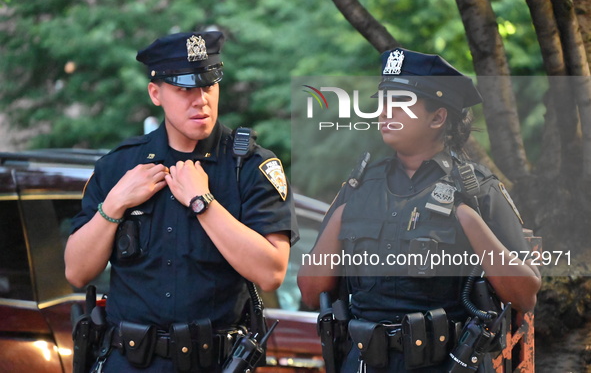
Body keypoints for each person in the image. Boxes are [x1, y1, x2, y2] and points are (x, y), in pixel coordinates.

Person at [65, 30, 298, 372]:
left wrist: (203, 202)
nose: (200, 99)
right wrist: (115, 204)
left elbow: (272, 272)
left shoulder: (250, 167)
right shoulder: (120, 166)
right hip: (128, 361)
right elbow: (77, 271)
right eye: (185, 89)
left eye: (208, 86)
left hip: (212, 362)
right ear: (155, 93)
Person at [297, 48, 541, 372]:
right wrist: (344, 214)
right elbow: (311, 292)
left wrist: (469, 220)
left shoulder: (477, 190)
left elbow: (525, 295)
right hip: (363, 362)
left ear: (438, 117)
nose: (385, 112)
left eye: (400, 103)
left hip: (445, 363)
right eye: (383, 102)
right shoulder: (357, 188)